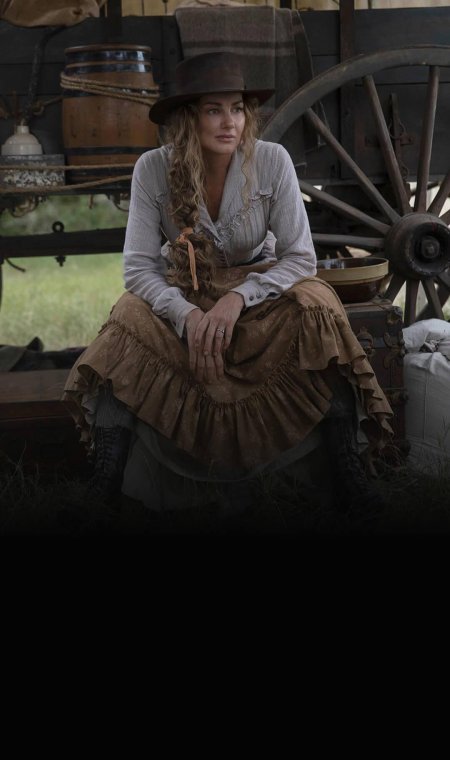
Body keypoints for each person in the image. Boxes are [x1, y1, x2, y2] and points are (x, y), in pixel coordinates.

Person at [62, 51, 394, 525]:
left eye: (237, 108)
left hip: (258, 290)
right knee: (125, 321)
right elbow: (137, 268)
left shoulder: (272, 161)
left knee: (318, 307)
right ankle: (103, 486)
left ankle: (350, 480)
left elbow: (300, 258)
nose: (229, 122)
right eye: (214, 110)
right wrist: (187, 315)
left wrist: (239, 298)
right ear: (187, 119)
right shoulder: (152, 168)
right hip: (186, 289)